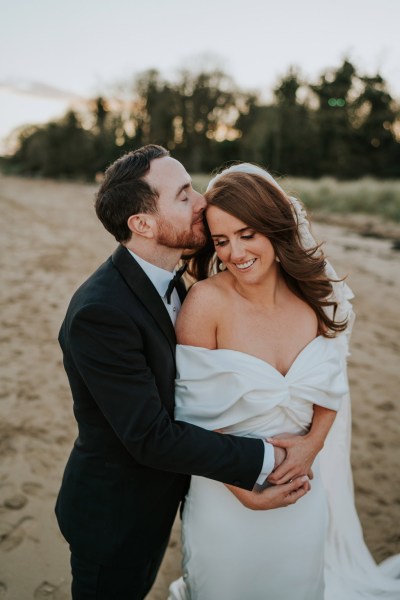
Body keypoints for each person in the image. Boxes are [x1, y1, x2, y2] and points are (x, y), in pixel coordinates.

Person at [55, 145, 317, 600]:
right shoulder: (100, 312)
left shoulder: (178, 280)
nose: (202, 201)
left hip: (167, 498)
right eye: (182, 195)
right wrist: (264, 462)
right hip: (116, 516)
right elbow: (150, 436)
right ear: (142, 224)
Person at [169, 163, 400, 600]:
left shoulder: (312, 299)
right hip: (227, 499)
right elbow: (189, 418)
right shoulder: (206, 303)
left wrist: (313, 443)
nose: (235, 253)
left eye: (247, 234)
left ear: (275, 228)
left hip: (302, 494)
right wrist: (245, 492)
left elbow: (331, 386)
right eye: (222, 241)